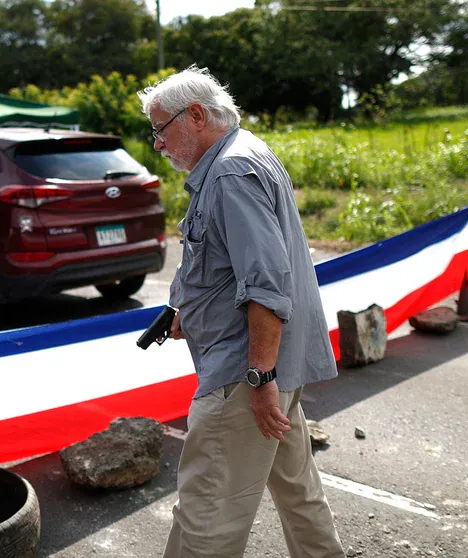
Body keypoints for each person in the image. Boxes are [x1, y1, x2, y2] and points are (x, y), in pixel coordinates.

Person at [139, 66, 346, 557]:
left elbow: (266, 285)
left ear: (194, 115)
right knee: (300, 495)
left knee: (207, 517)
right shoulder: (241, 153)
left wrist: (258, 377)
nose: (158, 146)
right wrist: (187, 307)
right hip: (277, 367)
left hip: (245, 375)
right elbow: (232, 264)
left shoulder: (230, 172)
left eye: (160, 130)